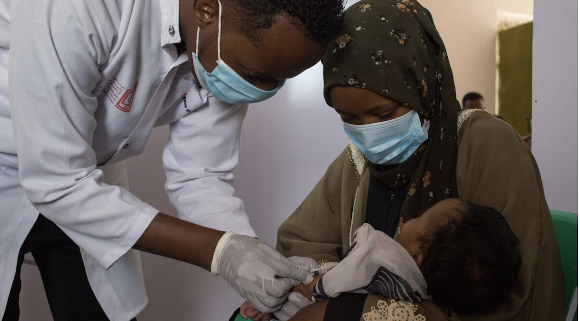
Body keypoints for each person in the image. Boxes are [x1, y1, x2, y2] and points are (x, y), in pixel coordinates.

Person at [0, 0, 345, 320]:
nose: (261, 89)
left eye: (279, 80)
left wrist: (260, 264)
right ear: (206, 10)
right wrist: (221, 253)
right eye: (254, 74)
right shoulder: (82, 7)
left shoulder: (226, 40)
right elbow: (57, 179)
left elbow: (200, 177)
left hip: (90, 180)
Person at [274, 1, 566, 320]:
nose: (368, 131)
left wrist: (353, 311)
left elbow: (506, 292)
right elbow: (299, 241)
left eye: (384, 114)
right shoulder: (357, 161)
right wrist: (323, 283)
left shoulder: (484, 143)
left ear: (421, 87)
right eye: (350, 117)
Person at [240, 199, 521, 319]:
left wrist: (309, 286)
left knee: (298, 267)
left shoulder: (385, 253)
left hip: (308, 300)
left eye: (419, 219)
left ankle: (267, 306)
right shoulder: (421, 297)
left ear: (416, 256)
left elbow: (341, 278)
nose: (408, 220)